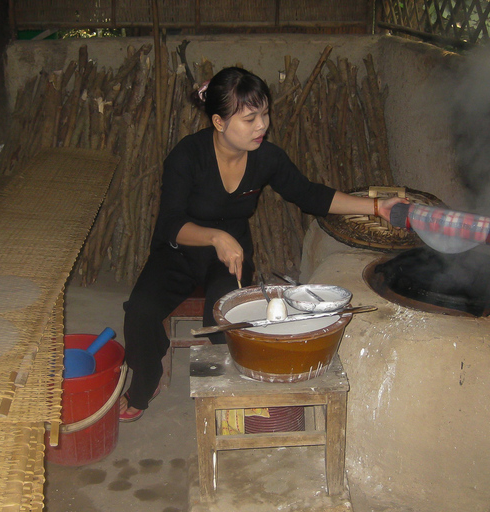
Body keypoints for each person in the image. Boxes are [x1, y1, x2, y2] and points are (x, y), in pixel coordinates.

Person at [120, 67, 406, 421]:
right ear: (219, 122)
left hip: (230, 259)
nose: (262, 126)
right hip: (178, 251)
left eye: (265, 114)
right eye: (250, 118)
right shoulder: (187, 156)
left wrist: (378, 207)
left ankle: (242, 400)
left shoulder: (266, 157)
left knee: (230, 323)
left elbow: (310, 195)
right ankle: (144, 383)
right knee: (140, 312)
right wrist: (215, 236)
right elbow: (169, 224)